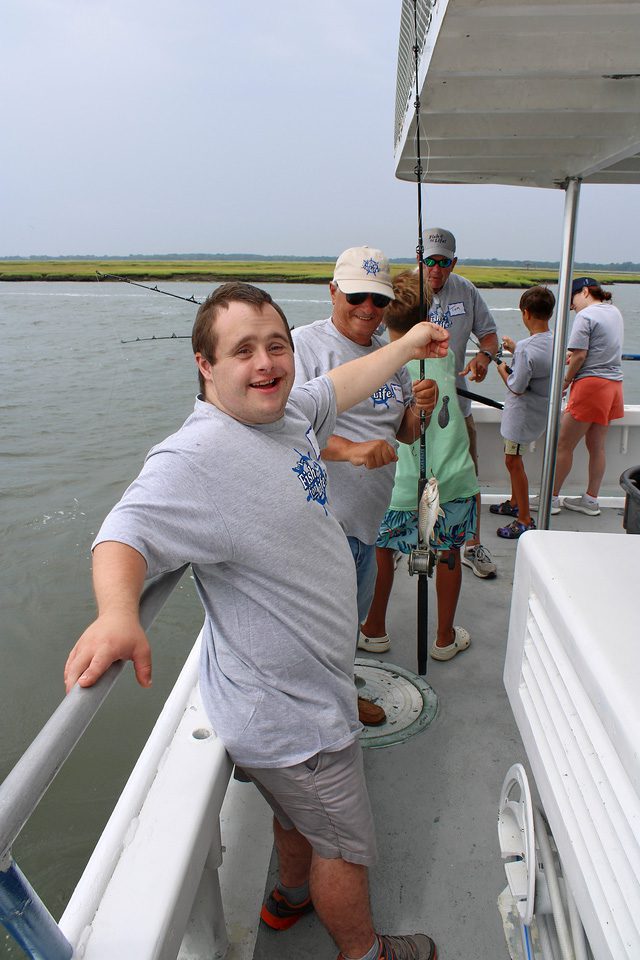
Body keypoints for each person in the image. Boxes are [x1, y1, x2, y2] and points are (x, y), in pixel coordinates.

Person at [64, 282, 447, 960]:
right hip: (291, 716)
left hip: (299, 693)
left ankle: (289, 896)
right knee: (346, 846)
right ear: (204, 366)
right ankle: (367, 952)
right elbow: (124, 529)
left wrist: (410, 343)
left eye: (275, 345)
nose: (266, 362)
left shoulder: (287, 416)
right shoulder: (198, 457)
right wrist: (119, 613)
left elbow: (343, 384)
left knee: (301, 822)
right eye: (242, 351)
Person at [292, 247, 438, 722]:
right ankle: (314, 711)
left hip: (366, 524)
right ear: (332, 291)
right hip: (320, 524)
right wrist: (351, 449)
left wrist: (421, 408)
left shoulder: (388, 357)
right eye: (356, 296)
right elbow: (285, 428)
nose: (368, 310)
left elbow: (404, 433)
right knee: (313, 626)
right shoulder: (304, 346)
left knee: (346, 625)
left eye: (378, 301)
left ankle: (337, 691)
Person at [360, 271, 479, 661]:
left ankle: (374, 628)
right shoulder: (446, 356)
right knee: (448, 553)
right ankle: (444, 638)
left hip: (395, 484)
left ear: (383, 316)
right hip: (452, 479)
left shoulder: (373, 363)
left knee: (381, 551)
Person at [419, 227, 499, 579]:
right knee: (407, 477)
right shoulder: (404, 292)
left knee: (467, 477)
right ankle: (406, 540)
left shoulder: (466, 290)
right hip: (414, 405)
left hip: (457, 406)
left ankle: (472, 545)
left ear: (454, 262)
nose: (436, 269)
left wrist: (483, 357)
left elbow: (491, 336)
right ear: (419, 260)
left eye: (444, 262)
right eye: (429, 261)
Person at [550, 277, 624, 516]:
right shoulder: (614, 312)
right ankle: (591, 499)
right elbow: (600, 349)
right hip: (614, 386)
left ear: (583, 292)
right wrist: (578, 358)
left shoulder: (586, 316)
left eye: (572, 301)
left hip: (591, 385)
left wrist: (565, 381)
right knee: (597, 446)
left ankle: (551, 499)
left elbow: (580, 355)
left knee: (563, 444)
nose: (573, 307)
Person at [490, 286, 555, 539]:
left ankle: (524, 518)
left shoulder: (527, 348)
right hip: (537, 413)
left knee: (513, 462)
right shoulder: (553, 340)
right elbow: (535, 365)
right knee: (514, 460)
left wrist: (503, 370)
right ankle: (514, 503)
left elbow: (516, 386)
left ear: (525, 313)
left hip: (521, 416)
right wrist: (516, 349)